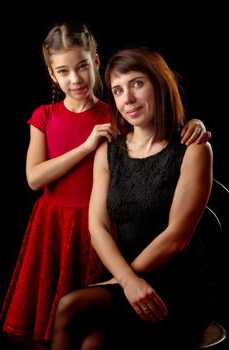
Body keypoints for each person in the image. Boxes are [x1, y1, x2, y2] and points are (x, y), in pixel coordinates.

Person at [0, 21, 210, 350]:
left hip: (122, 246)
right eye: (64, 71)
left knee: (80, 316)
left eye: (83, 66)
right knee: (56, 324)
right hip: (69, 228)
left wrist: (194, 123)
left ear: (95, 63)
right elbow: (34, 178)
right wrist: (85, 147)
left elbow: (158, 129)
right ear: (52, 74)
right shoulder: (55, 120)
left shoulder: (113, 115)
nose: (75, 79)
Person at [50, 47, 215, 350]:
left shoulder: (193, 148)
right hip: (125, 278)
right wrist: (126, 280)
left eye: (137, 83)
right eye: (117, 90)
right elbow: (97, 227)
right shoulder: (109, 150)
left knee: (70, 306)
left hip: (176, 286)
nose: (128, 99)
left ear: (159, 84)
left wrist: (124, 281)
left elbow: (177, 237)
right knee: (91, 345)